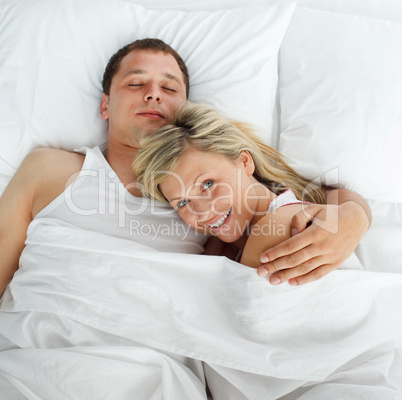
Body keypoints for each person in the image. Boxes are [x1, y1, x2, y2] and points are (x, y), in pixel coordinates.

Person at [0, 38, 370, 297]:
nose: (154, 94)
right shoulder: (48, 169)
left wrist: (354, 217)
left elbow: (304, 197)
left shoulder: (220, 213)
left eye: (170, 87)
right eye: (136, 82)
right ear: (105, 106)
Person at [133, 101, 364, 276]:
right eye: (183, 202)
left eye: (208, 184)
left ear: (244, 162)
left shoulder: (278, 226)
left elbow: (241, 329)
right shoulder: (240, 239)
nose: (203, 210)